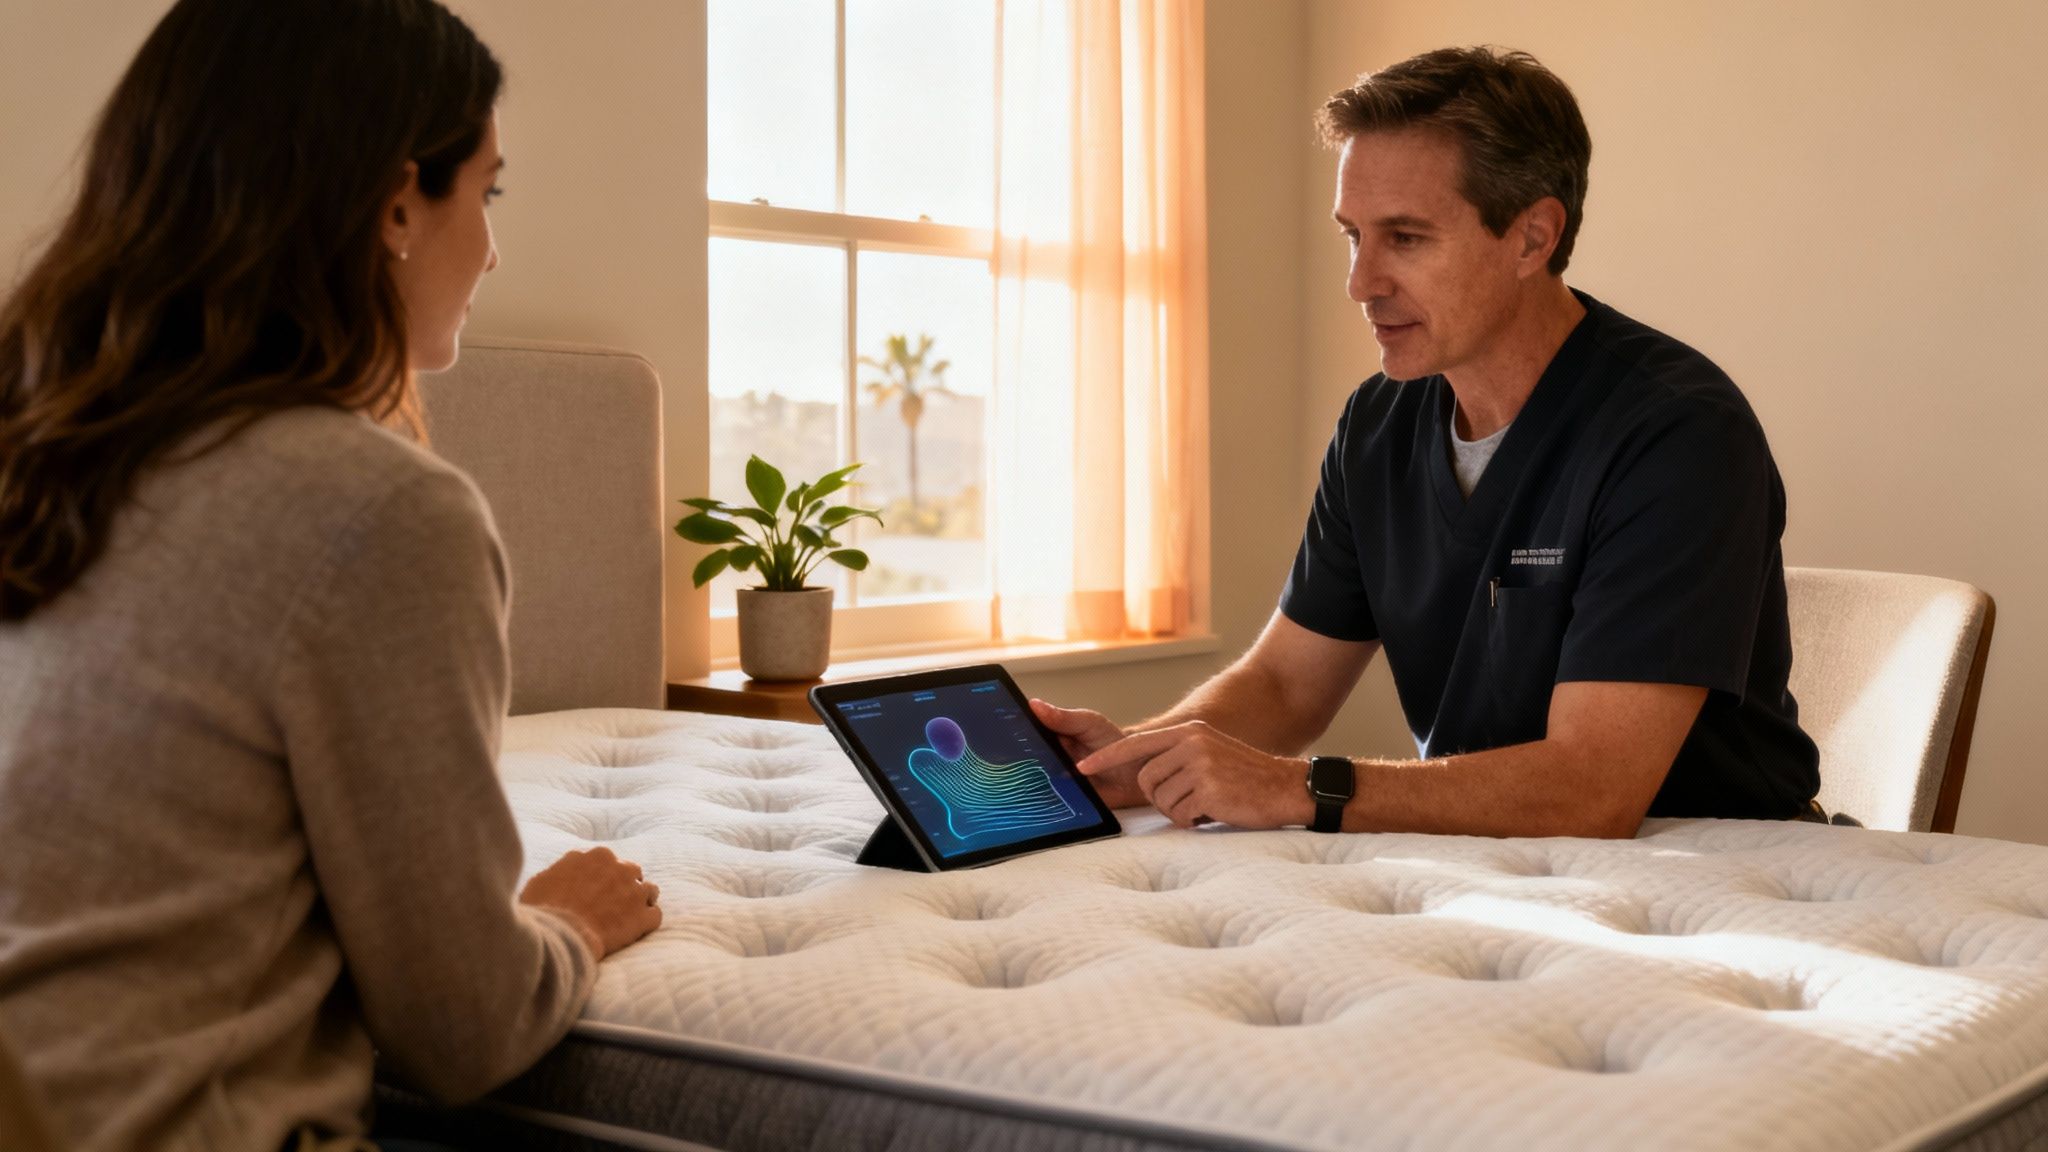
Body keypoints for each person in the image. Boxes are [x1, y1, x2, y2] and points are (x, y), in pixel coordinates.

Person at [0, 2, 660, 1149]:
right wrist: (568, 922)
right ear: (398, 203)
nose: (492, 249)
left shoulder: (39, 449)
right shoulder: (377, 510)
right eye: (488, 192)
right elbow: (461, 1029)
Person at [1035, 46, 1819, 840]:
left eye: (1405, 238)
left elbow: (1592, 789)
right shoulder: (1377, 425)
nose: (1361, 283)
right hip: (1487, 859)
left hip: (1713, 859)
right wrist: (1134, 757)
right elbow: (1284, 686)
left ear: (1532, 238)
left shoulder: (1678, 433)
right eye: (1353, 236)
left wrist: (1299, 787)